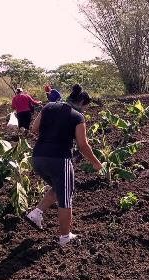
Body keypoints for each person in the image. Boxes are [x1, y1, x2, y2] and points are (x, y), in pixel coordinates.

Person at [26, 84, 103, 247]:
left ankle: (36, 213)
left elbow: (34, 128)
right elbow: (82, 145)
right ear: (82, 102)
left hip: (38, 158)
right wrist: (96, 163)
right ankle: (65, 237)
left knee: (57, 187)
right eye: (85, 107)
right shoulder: (77, 117)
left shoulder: (48, 107)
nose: (84, 110)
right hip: (60, 160)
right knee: (66, 197)